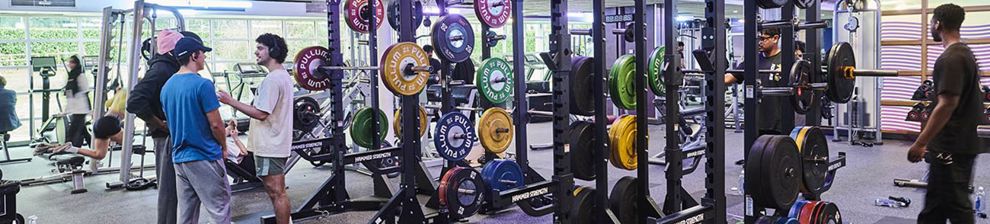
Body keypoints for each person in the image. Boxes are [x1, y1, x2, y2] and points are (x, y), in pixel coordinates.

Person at [908, 4, 986, 223]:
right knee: (934, 209)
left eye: (931, 22)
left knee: (957, 207)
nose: (930, 26)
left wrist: (920, 142)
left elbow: (947, 104)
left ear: (938, 24)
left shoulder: (951, 59)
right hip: (953, 144)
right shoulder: (964, 53)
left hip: (951, 146)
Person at [217, 33, 293, 224]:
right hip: (271, 143)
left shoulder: (273, 79)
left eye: (260, 48)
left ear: (273, 51)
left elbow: (261, 113)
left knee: (277, 192)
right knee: (275, 191)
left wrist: (230, 101)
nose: (256, 52)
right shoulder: (280, 76)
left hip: (271, 145)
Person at [160, 36, 231, 224]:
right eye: (203, 54)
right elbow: (216, 124)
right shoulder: (203, 84)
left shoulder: (167, 87)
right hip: (204, 155)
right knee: (219, 211)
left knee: (187, 215)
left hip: (180, 160)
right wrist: (224, 147)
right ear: (194, 55)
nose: (204, 57)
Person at [126, 29, 187, 224]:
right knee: (168, 190)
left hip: (176, 135)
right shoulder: (161, 69)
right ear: (172, 51)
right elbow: (134, 101)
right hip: (165, 137)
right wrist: (159, 124)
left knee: (177, 189)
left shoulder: (171, 68)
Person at [34, 116, 122, 160]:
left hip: (100, 123)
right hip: (110, 124)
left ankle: (71, 148)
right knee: (128, 142)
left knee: (99, 155)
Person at [63, 55, 91, 148]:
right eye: (69, 62)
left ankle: (71, 147)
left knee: (73, 130)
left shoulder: (80, 75)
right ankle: (93, 146)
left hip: (81, 108)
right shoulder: (71, 75)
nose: (69, 64)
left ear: (76, 63)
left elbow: (85, 90)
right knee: (82, 129)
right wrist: (67, 109)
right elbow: (69, 94)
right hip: (75, 108)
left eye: (72, 62)